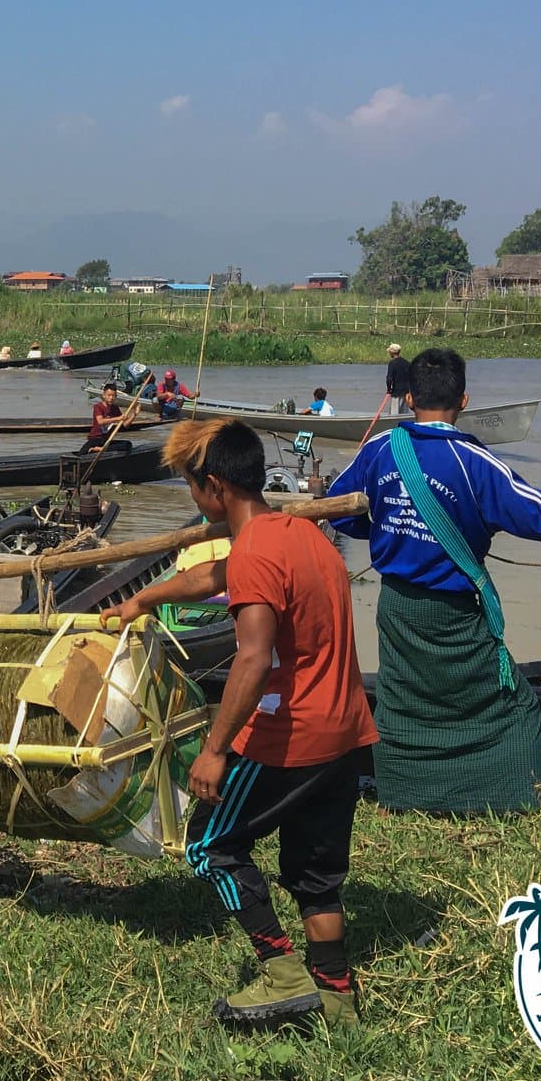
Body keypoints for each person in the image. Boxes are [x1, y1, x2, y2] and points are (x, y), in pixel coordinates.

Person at [327, 347, 541, 814]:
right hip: (454, 617)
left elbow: (339, 510)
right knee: (513, 710)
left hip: (398, 611)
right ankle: (508, 798)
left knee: (403, 703)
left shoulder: (378, 449)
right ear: (465, 401)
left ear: (408, 399)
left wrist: (393, 528)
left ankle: (404, 795)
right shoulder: (477, 464)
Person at [140, 420, 377, 1029]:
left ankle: (280, 972)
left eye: (192, 488)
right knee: (316, 877)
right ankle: (338, 1003)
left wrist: (214, 749)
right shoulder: (303, 533)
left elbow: (252, 656)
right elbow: (213, 576)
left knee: (209, 843)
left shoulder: (254, 551)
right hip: (346, 734)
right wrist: (143, 600)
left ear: (214, 487)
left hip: (286, 740)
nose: (193, 500)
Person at [85, 382, 128, 449]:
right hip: (95, 438)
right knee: (82, 453)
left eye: (113, 396)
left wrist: (134, 414)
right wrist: (117, 418)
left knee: (127, 444)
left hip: (106, 440)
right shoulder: (98, 406)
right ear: (104, 395)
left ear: (116, 396)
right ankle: (99, 448)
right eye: (109, 395)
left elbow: (125, 425)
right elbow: (100, 421)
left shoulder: (115, 408)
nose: (111, 398)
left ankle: (101, 449)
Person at [384, 343, 412, 412]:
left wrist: (388, 389)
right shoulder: (407, 363)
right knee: (403, 413)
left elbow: (389, 378)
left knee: (394, 412)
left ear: (391, 352)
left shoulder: (392, 363)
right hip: (406, 392)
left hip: (396, 392)